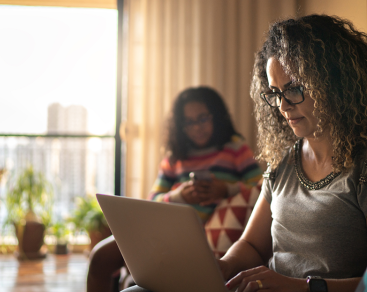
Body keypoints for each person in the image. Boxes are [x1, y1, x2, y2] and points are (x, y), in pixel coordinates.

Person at [122, 14, 367, 292]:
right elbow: (252, 245)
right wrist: (222, 266)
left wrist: (302, 287)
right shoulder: (285, 162)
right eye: (274, 93)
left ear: (333, 84)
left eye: (293, 89)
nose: (282, 106)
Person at [87, 86, 262, 292]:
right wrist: (179, 196)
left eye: (203, 118)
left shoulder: (235, 148)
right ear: (180, 126)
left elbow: (260, 189)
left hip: (196, 240)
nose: (197, 127)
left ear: (217, 116)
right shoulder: (175, 157)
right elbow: (152, 200)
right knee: (100, 255)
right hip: (165, 233)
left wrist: (226, 190)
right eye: (188, 122)